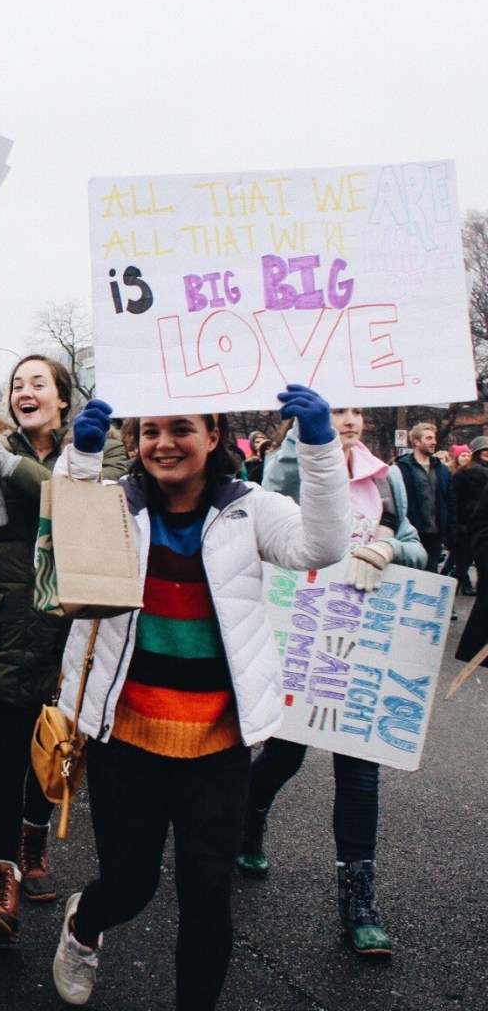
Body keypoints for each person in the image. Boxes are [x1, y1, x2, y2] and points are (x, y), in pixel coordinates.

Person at [49, 386, 350, 1011]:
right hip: (125, 736)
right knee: (129, 886)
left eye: (181, 428)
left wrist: (320, 447)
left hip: (217, 741)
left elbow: (321, 548)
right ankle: (84, 925)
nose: (164, 443)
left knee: (207, 895)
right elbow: (62, 545)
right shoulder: (115, 502)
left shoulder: (251, 507)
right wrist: (80, 460)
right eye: (149, 430)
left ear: (214, 437)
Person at [237, 407, 426, 956]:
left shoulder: (384, 477)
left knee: (360, 770)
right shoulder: (287, 467)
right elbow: (266, 528)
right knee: (284, 755)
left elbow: (417, 545)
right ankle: (249, 821)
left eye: (355, 410)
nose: (348, 419)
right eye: (337, 408)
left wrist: (388, 548)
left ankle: (359, 900)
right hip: (300, 635)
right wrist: (304, 434)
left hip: (362, 641)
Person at [0, 356, 125, 941]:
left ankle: (33, 839)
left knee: (55, 745)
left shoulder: (102, 446)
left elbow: (76, 505)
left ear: (63, 397)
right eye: (17, 384)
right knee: (5, 756)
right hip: (7, 624)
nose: (25, 391)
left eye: (38, 383)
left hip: (74, 628)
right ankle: (1, 879)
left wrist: (7, 466)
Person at [395, 421, 456, 574]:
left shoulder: (442, 469)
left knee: (431, 573)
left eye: (434, 438)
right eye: (429, 438)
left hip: (436, 532)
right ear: (416, 441)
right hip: (411, 532)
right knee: (410, 573)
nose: (434, 442)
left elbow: (450, 500)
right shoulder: (402, 467)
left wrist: (451, 529)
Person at [448, 436, 488, 595]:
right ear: (477, 452)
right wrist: (457, 525)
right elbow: (454, 501)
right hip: (467, 527)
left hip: (480, 528)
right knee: (462, 565)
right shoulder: (462, 474)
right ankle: (448, 597)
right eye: (484, 449)